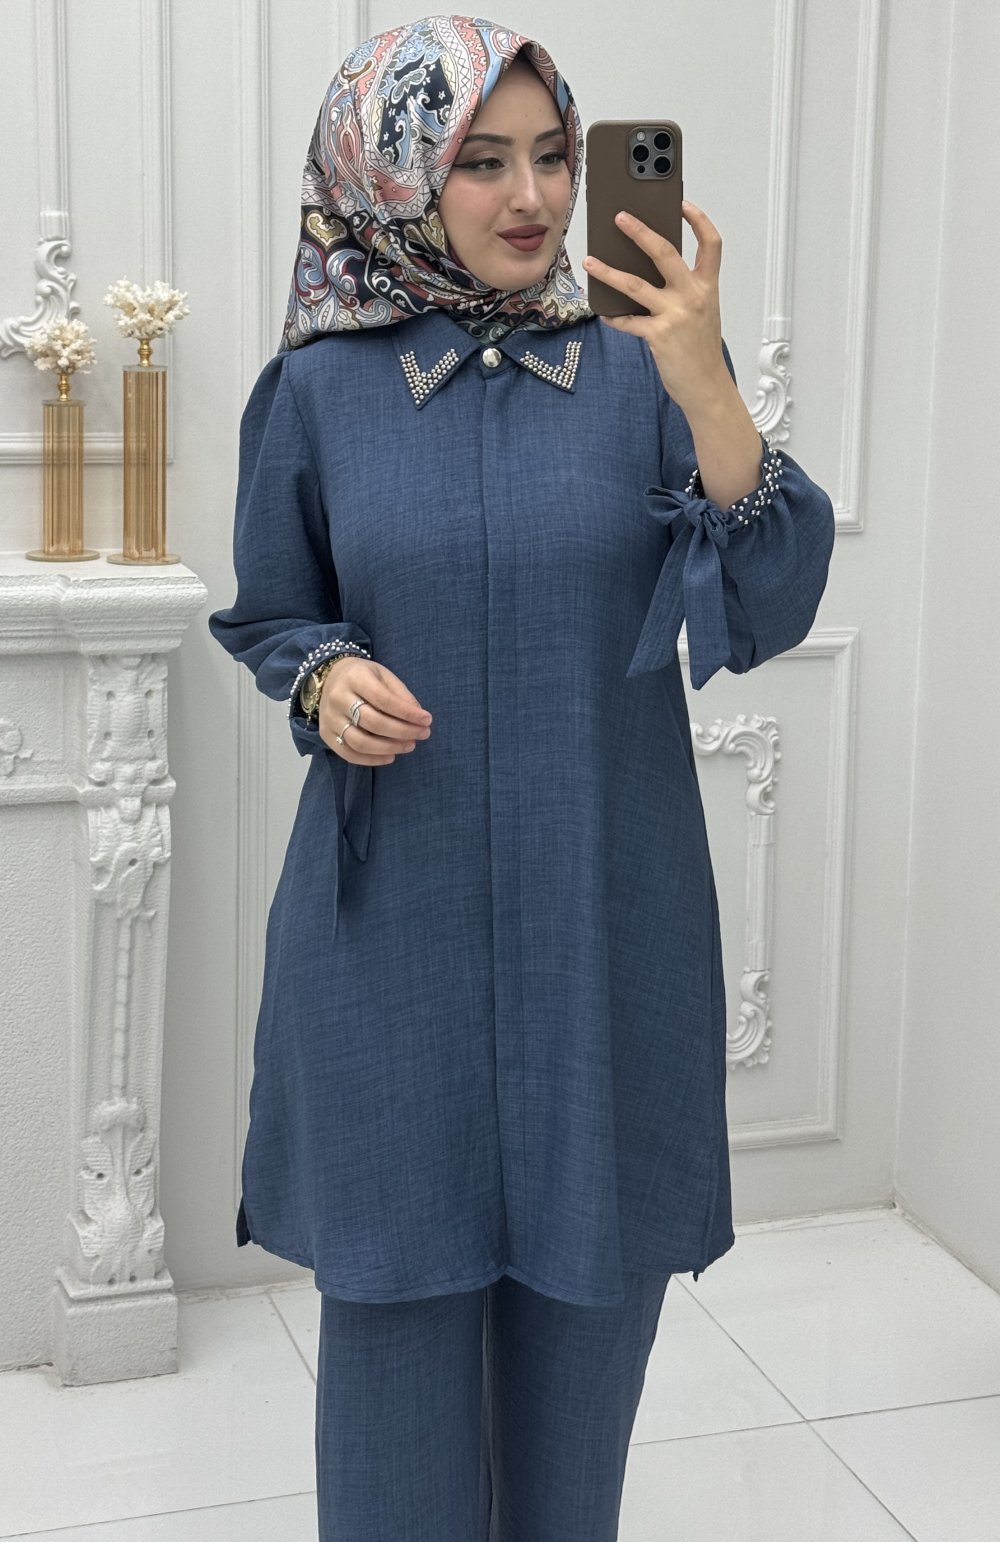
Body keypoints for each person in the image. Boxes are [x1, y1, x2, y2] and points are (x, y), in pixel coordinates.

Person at [207, 14, 836, 1540]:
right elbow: (276, 613)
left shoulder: (642, 373)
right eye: (479, 160)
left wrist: (705, 381)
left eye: (555, 155)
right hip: (390, 951)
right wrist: (324, 676)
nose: (535, 195)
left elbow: (769, 603)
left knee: (578, 1414)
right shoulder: (318, 391)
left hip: (599, 936)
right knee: (394, 1419)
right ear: (392, 173)